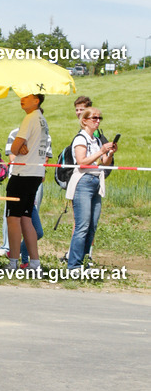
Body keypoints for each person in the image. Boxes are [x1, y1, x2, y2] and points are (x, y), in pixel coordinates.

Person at [66, 107, 117, 272]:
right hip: (84, 182)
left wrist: (108, 153)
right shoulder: (80, 139)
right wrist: (101, 151)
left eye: (100, 118)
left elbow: (104, 162)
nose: (98, 121)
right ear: (85, 120)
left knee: (92, 225)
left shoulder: (96, 140)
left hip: (96, 181)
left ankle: (83, 260)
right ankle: (73, 265)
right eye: (94, 118)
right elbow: (81, 161)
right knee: (82, 225)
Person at [6, 94, 49, 273]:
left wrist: (19, 146)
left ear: (36, 100)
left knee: (13, 218)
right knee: (26, 218)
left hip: (22, 174)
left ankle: (13, 262)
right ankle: (35, 263)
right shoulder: (42, 119)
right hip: (36, 174)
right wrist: (20, 145)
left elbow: (14, 149)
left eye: (27, 96)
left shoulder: (30, 117)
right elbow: (19, 146)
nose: (22, 99)